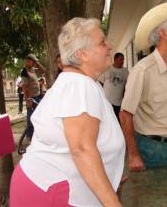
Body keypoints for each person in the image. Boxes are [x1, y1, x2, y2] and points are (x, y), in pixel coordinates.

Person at [9, 17, 125, 207]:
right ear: (82, 54)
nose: (109, 46)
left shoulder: (78, 82)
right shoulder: (79, 85)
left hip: (49, 187)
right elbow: (82, 149)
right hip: (54, 194)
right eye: (102, 42)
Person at [119, 2, 167, 172]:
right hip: (150, 150)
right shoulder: (143, 70)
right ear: (162, 33)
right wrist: (133, 154)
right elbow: (125, 115)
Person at [98, 52, 128, 121]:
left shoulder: (125, 71)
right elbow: (100, 82)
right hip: (107, 100)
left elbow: (127, 85)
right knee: (108, 120)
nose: (122, 61)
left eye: (123, 59)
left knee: (117, 120)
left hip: (119, 102)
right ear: (115, 59)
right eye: (121, 59)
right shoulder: (107, 69)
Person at [21, 54, 45, 140]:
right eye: (33, 61)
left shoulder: (33, 69)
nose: (35, 63)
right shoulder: (24, 72)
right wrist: (27, 100)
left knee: (39, 116)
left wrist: (37, 63)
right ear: (28, 61)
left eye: (35, 61)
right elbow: (24, 87)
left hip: (38, 96)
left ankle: (36, 135)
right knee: (30, 118)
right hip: (31, 98)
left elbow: (43, 71)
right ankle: (29, 136)